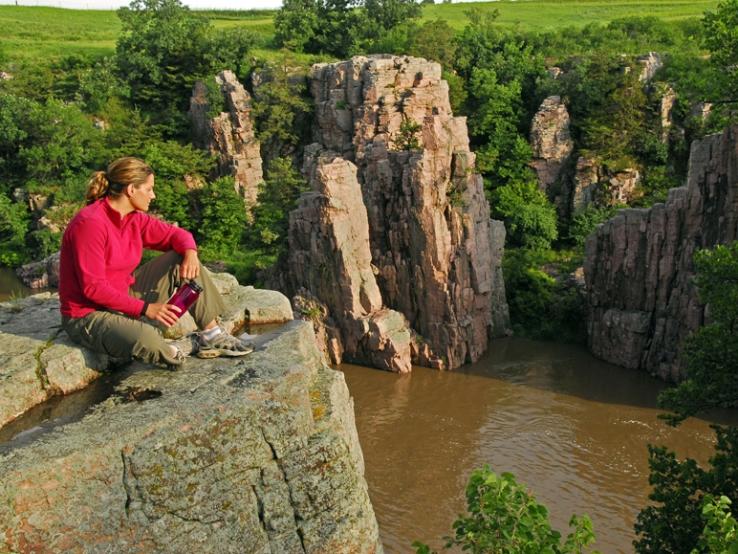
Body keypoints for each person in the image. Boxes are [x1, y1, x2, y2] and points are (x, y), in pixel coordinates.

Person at [59, 156, 252, 368]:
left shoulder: (134, 218)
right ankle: (185, 347)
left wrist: (190, 252)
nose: (153, 195)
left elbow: (177, 236)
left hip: (123, 296)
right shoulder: (91, 224)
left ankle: (212, 334)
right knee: (148, 338)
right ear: (131, 190)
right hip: (88, 315)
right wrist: (146, 308)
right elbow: (93, 289)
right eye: (149, 189)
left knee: (181, 258)